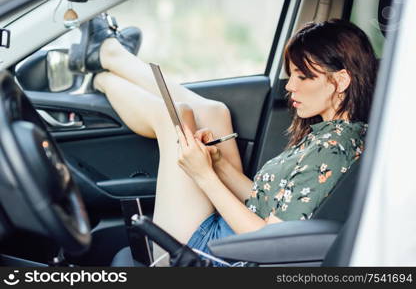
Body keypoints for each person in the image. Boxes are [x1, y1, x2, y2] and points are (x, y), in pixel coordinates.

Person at [69, 15, 377, 266]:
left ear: (340, 81)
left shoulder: (330, 151)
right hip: (231, 236)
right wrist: (218, 165)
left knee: (175, 117)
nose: (290, 87)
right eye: (290, 75)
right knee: (214, 112)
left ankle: (103, 73)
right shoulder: (337, 134)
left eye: (302, 76)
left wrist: (203, 175)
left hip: (215, 254)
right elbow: (264, 201)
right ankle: (107, 60)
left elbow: (272, 243)